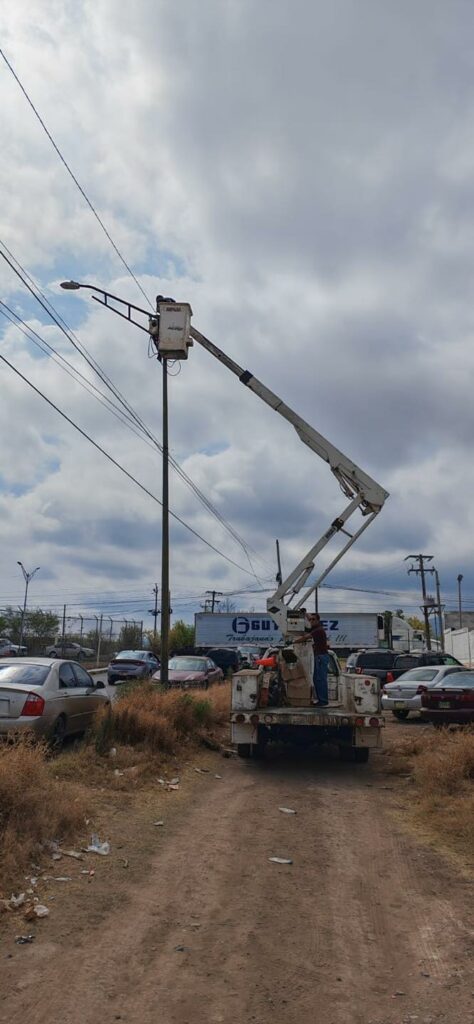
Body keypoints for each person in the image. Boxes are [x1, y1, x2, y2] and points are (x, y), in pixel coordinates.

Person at [294, 612, 329, 706]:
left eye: (313, 619)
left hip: (320, 657)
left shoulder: (318, 630)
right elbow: (310, 618)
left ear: (318, 620)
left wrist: (293, 642)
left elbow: (305, 637)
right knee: (317, 678)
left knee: (320, 679)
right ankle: (321, 700)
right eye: (310, 620)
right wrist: (304, 613)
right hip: (319, 656)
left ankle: (323, 701)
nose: (311, 621)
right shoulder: (315, 628)